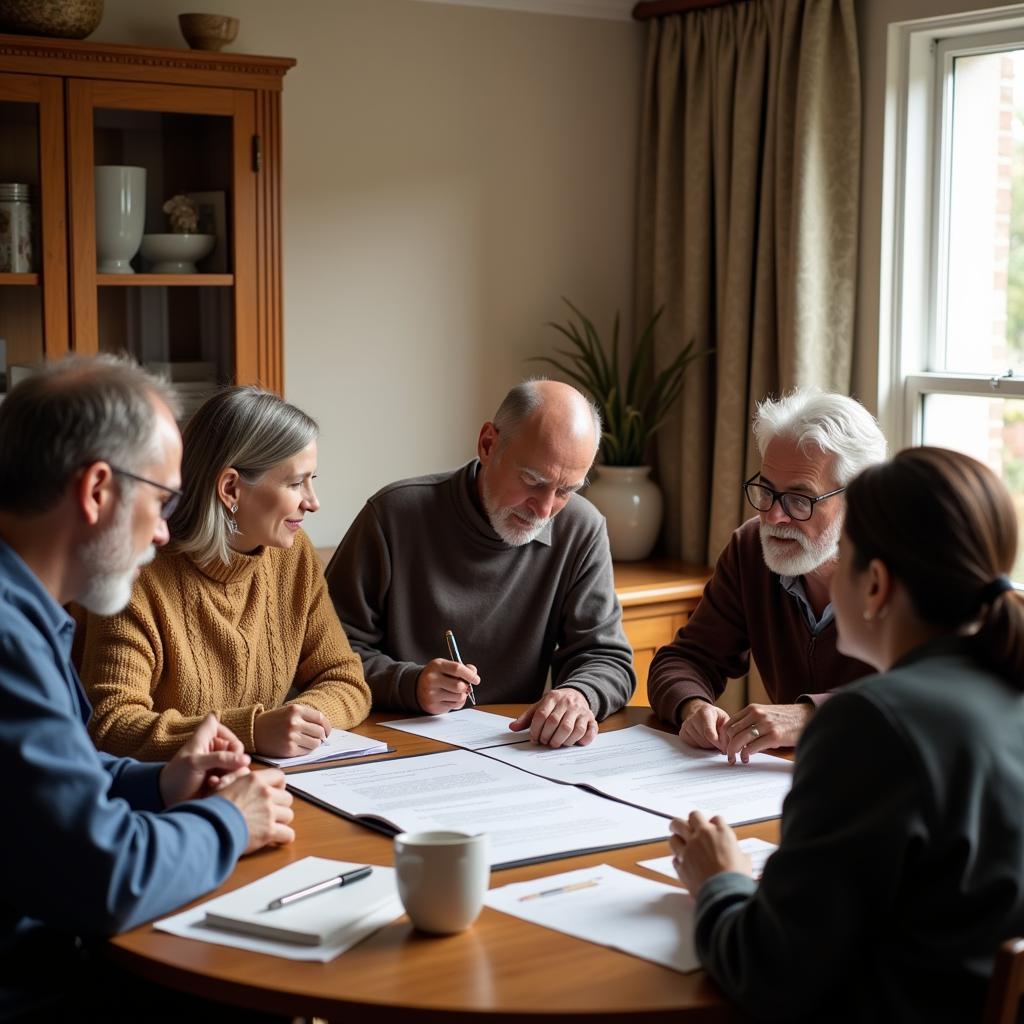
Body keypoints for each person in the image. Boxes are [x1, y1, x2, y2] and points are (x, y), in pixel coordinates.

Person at [670, 447, 1024, 1023]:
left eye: (845, 558)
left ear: (876, 584)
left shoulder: (869, 724)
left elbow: (769, 972)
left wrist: (720, 882)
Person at [0, 356, 294, 1018]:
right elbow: (103, 876)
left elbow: (49, 780)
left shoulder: (25, 610)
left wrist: (159, 783)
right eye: (161, 501)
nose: (164, 531)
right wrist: (229, 819)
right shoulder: (7, 639)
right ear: (98, 490)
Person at [327, 379, 635, 748]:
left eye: (566, 490)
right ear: (488, 444)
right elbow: (326, 652)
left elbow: (607, 657)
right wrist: (409, 683)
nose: (544, 509)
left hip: (514, 749)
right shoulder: (393, 515)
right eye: (532, 480)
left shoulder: (581, 528)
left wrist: (579, 695)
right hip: (390, 741)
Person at [79, 386, 372, 761]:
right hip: (161, 799)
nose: (313, 502)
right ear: (231, 488)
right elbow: (110, 723)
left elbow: (346, 679)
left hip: (264, 787)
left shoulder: (293, 556)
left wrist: (300, 722)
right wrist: (250, 731)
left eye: (312, 480)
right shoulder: (138, 572)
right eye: (296, 482)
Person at [648, 388, 886, 760]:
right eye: (766, 491)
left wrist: (811, 716)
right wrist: (692, 707)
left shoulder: (908, 567)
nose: (774, 517)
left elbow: (939, 694)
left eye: (799, 499)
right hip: (798, 781)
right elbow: (685, 659)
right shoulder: (750, 549)